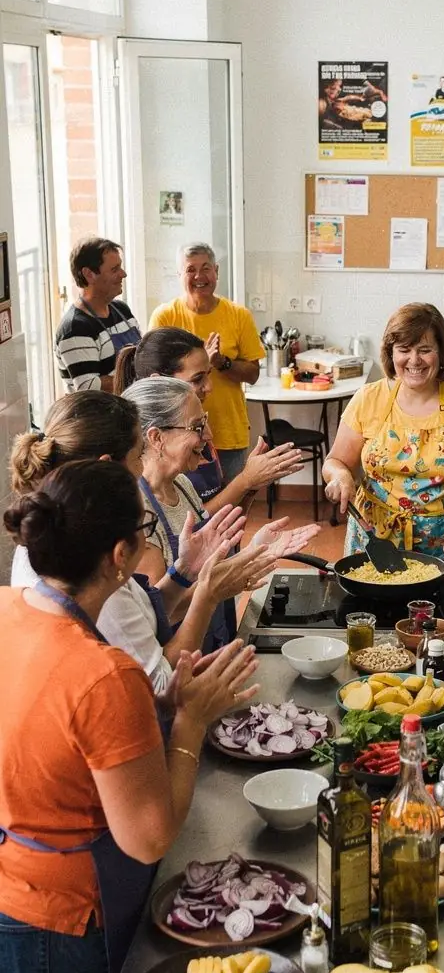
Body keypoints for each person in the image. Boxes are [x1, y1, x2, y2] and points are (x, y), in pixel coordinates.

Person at [0, 459, 259, 973]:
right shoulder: (102, 671)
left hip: (7, 887)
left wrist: (159, 700)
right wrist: (189, 724)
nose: (149, 547)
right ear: (119, 556)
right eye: (143, 535)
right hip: (62, 914)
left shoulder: (13, 614)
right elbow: (147, 839)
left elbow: (57, 734)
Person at [7, 392, 313, 696]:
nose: (142, 468)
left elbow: (146, 612)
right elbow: (162, 688)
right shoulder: (90, 563)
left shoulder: (62, 527)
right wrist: (207, 595)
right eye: (139, 455)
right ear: (108, 467)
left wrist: (183, 572)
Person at [322, 303, 444, 566]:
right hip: (374, 542)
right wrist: (340, 476)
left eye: (425, 350)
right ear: (391, 353)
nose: (414, 360)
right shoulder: (368, 398)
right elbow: (335, 461)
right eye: (404, 350)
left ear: (441, 353)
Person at [114, 330, 303, 510]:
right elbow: (194, 527)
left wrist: (250, 487)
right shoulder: (151, 473)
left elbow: (205, 520)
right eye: (197, 379)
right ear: (159, 381)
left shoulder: (190, 447)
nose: (209, 387)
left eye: (208, 374)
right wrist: (245, 481)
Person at [148, 244, 265, 484]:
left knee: (233, 510)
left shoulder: (239, 315)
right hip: (178, 435)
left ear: (217, 271)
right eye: (191, 270)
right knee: (187, 513)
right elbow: (154, 379)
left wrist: (222, 363)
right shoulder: (165, 317)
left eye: (206, 268)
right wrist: (199, 367)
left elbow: (253, 374)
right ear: (179, 275)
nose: (199, 277)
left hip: (228, 432)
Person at [53, 238, 141, 392]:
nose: (123, 274)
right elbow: (89, 387)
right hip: (99, 415)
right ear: (89, 274)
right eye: (115, 269)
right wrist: (139, 375)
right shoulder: (75, 328)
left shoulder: (122, 310)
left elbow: (143, 355)